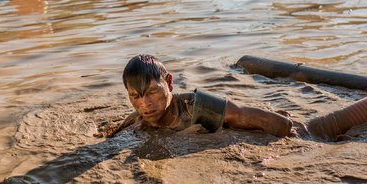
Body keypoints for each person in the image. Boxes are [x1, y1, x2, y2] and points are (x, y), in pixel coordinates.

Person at [116, 54, 293, 137]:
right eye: (135, 96)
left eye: (152, 92)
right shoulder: (135, 122)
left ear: (169, 82)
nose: (145, 104)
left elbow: (281, 124)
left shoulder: (200, 108)